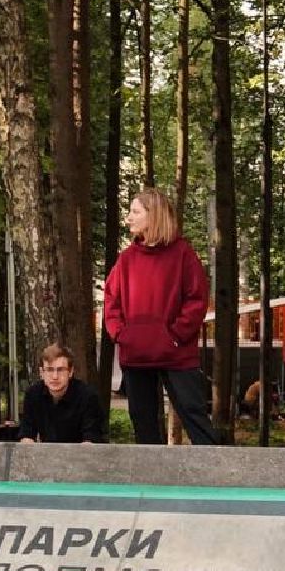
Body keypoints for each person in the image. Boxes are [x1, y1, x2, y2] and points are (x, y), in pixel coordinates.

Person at [101, 187, 218, 446]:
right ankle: (151, 482)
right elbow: (111, 299)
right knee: (143, 422)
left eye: (135, 212)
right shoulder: (127, 259)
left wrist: (175, 335)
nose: (128, 218)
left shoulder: (183, 255)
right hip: (136, 352)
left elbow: (197, 299)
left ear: (152, 216)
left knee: (194, 414)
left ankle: (217, 478)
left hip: (176, 352)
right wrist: (120, 334)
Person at [18, 343, 108, 444]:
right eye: (49, 370)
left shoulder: (88, 397)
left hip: (80, 456)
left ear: (70, 372)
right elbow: (26, 434)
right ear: (41, 373)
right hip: (47, 456)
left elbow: (91, 439)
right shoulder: (33, 394)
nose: (55, 376)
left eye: (60, 370)